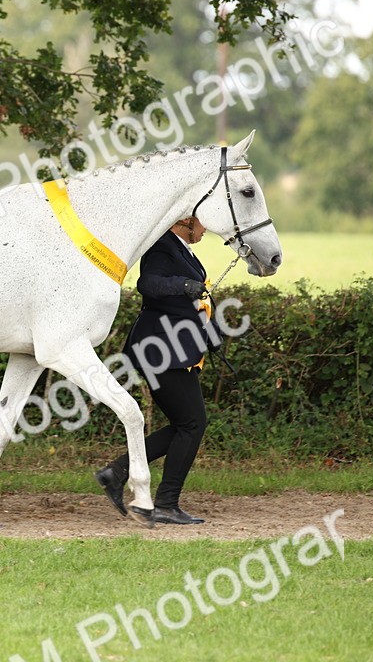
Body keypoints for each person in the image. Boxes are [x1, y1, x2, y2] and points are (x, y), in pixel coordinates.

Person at [94, 215, 219, 525]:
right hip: (161, 350)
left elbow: (185, 305)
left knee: (184, 423)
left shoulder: (181, 248)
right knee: (192, 423)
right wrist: (185, 284)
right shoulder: (161, 246)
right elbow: (147, 284)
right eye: (203, 224)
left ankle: (117, 472)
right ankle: (164, 503)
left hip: (175, 348)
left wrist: (209, 334)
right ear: (185, 221)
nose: (207, 229)